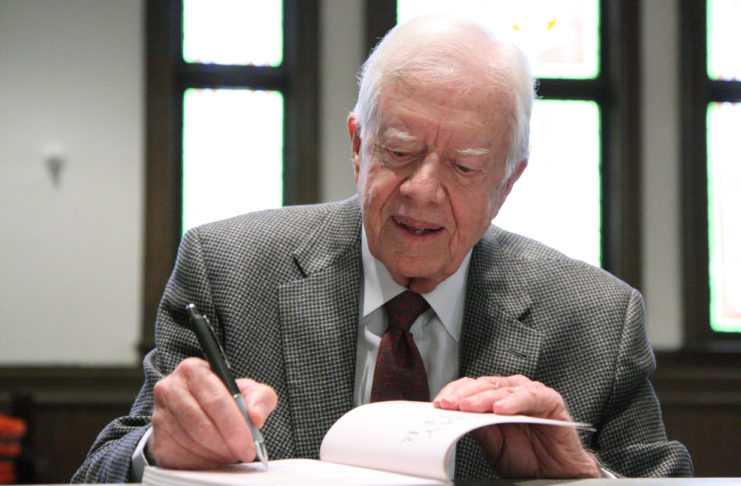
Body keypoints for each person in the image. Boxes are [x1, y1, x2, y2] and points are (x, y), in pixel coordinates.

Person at [73, 16, 692, 482]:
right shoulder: (229, 270)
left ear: (508, 181)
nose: (422, 191)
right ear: (357, 145)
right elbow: (99, 469)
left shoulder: (596, 319)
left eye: (465, 167)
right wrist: (156, 458)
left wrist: (582, 476)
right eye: (397, 152)